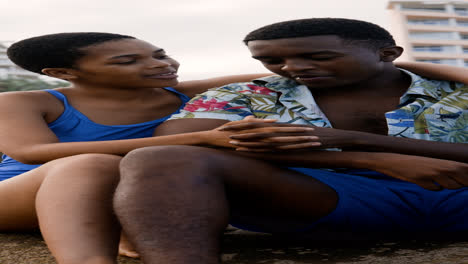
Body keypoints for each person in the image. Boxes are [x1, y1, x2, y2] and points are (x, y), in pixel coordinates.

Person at [111, 18, 468, 264]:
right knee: (156, 159)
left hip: (460, 194)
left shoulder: (457, 90)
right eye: (271, 60)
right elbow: (182, 147)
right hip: (323, 197)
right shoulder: (243, 94)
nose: (292, 67)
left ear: (388, 53)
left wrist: (356, 141)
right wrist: (365, 159)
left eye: (319, 56)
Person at [0, 32, 283, 264]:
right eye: (126, 61)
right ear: (63, 72)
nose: (162, 64)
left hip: (124, 194)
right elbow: (31, 151)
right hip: (20, 193)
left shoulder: (196, 94)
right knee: (91, 163)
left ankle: (125, 223)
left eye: (159, 54)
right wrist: (199, 138)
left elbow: (290, 74)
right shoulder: (26, 102)